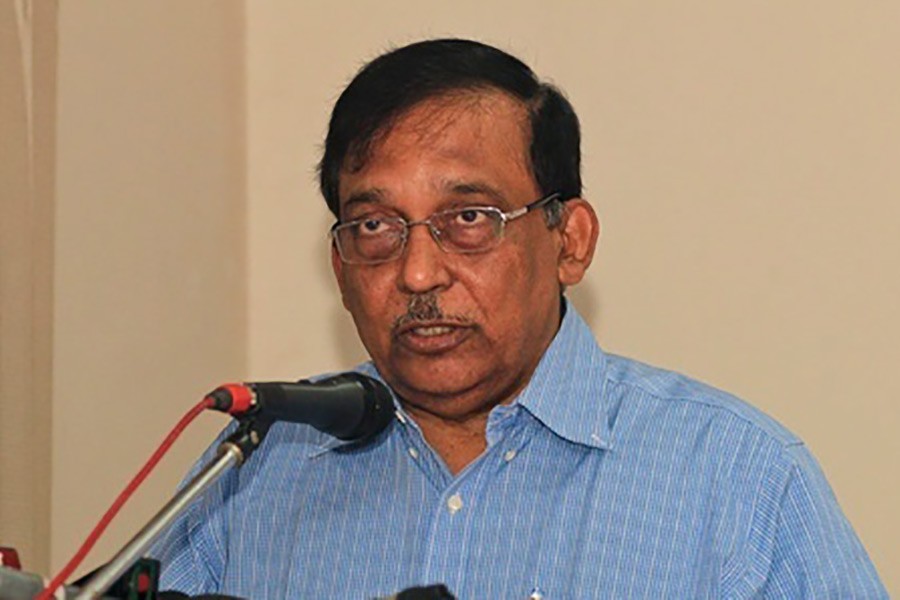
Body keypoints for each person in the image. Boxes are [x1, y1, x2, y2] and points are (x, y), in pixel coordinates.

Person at [153, 39, 886, 598]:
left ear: (570, 241)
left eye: (469, 218)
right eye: (375, 226)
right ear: (340, 267)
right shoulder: (259, 466)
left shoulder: (736, 477)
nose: (417, 273)